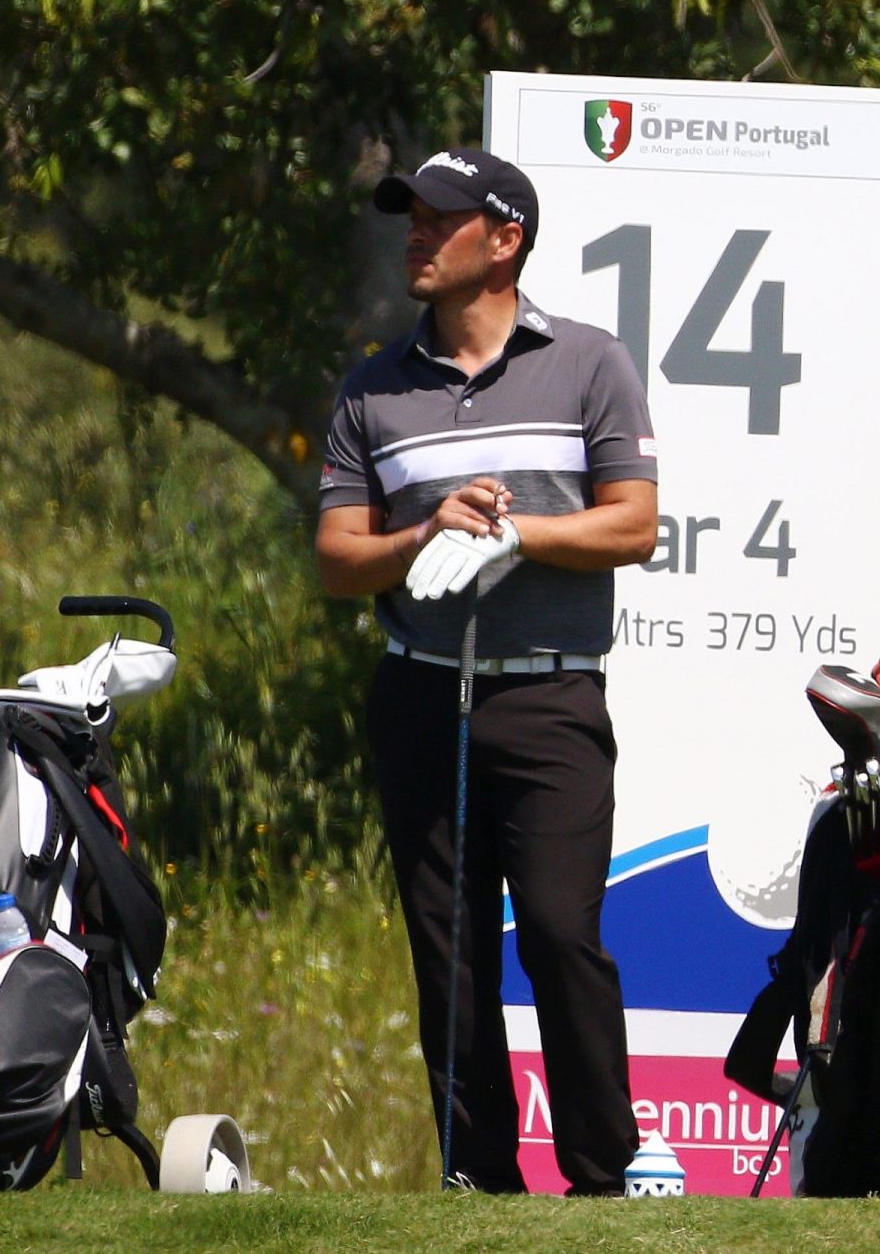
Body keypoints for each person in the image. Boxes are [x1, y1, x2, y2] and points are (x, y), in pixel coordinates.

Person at [314, 147, 657, 1194]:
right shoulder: (373, 387)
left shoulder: (589, 361)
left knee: (560, 933)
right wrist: (421, 534)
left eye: (439, 219)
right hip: (420, 692)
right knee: (448, 948)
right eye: (410, 217)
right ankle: (479, 1180)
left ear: (505, 239)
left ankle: (602, 1172)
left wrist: (524, 538)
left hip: (551, 695)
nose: (415, 234)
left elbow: (636, 524)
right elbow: (337, 556)